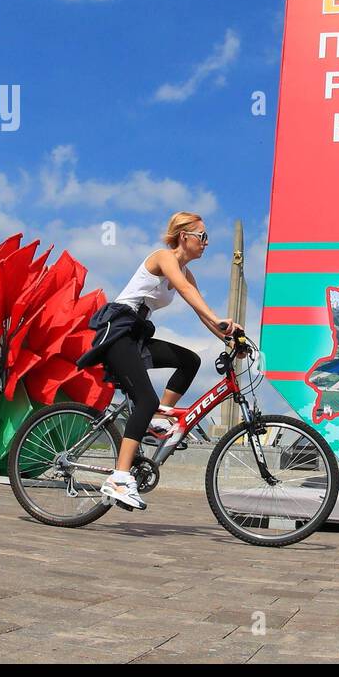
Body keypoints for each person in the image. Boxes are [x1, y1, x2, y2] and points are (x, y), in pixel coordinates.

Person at [78, 211, 241, 510]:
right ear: (184, 237)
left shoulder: (186, 272)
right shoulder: (164, 257)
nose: (207, 243)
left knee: (189, 360)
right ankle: (119, 477)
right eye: (202, 236)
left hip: (137, 335)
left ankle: (159, 419)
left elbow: (199, 311)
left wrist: (229, 339)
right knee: (145, 399)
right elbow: (186, 291)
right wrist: (221, 320)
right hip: (119, 331)